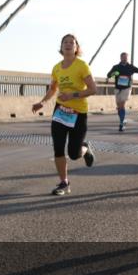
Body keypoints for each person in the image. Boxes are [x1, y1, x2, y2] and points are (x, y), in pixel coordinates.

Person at [32, 34, 97, 195]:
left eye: (71, 43)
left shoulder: (82, 66)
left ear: (76, 48)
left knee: (74, 154)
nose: (68, 45)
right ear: (61, 47)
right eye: (65, 42)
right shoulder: (56, 68)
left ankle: (85, 149)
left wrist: (72, 95)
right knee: (58, 148)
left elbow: (92, 89)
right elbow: (53, 89)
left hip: (78, 113)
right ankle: (64, 183)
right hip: (60, 112)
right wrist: (43, 102)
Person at [106, 52, 138, 132]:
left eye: (126, 57)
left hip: (126, 88)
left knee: (122, 105)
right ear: (120, 58)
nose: (124, 58)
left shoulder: (130, 67)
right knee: (119, 107)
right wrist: (114, 73)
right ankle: (122, 119)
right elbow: (109, 75)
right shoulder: (116, 67)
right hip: (118, 89)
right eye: (123, 57)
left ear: (127, 58)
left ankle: (121, 124)